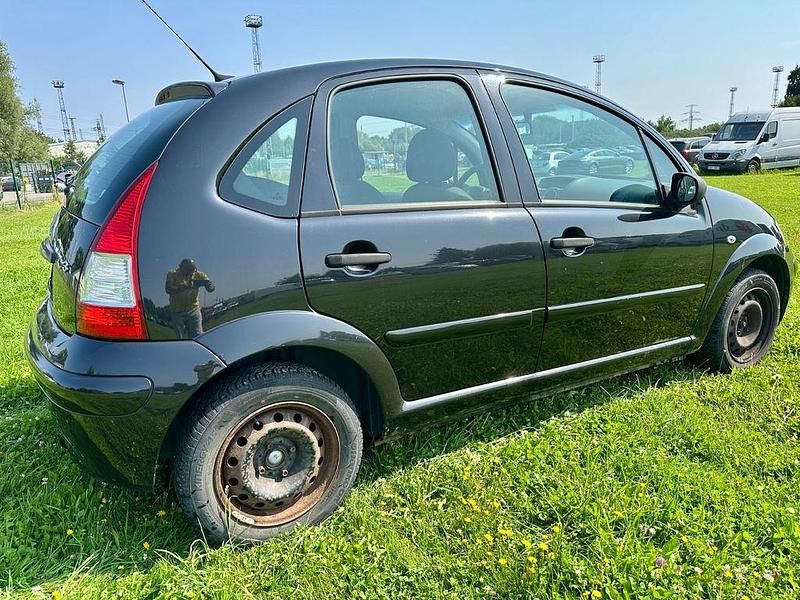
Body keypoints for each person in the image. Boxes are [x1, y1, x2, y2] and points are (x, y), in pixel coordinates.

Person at [165, 258, 214, 337]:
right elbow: (168, 289)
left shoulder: (199, 274)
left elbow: (211, 286)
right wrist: (183, 287)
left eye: (192, 270)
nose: (191, 274)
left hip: (193, 308)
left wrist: (209, 286)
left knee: (198, 335)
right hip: (176, 311)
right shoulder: (172, 273)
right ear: (180, 267)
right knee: (179, 337)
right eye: (187, 271)